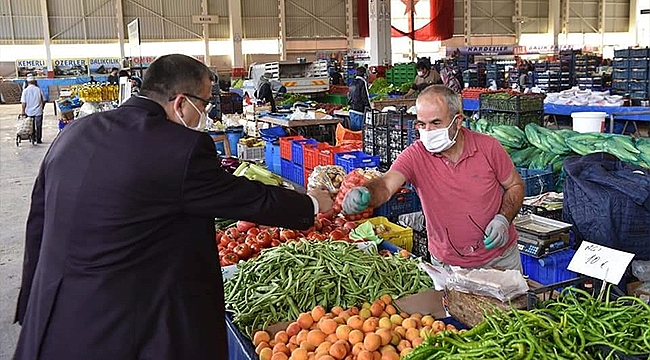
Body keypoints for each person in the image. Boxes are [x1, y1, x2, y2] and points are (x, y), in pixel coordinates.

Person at [12, 54, 333, 360]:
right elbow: (246, 198)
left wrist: (31, 304)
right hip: (117, 332)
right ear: (181, 102)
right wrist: (312, 204)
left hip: (51, 321)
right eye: (205, 104)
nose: (205, 115)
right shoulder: (181, 149)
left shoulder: (76, 133)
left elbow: (38, 222)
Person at [342, 86, 525, 271]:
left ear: (458, 120)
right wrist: (367, 192)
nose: (428, 131)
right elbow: (386, 184)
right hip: (449, 265)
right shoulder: (415, 156)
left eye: (436, 123)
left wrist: (503, 219)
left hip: (500, 260)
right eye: (422, 124)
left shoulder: (488, 148)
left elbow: (515, 186)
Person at [20, 74, 46, 144]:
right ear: (34, 82)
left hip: (29, 112)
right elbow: (44, 100)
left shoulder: (25, 91)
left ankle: (33, 138)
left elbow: (23, 103)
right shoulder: (38, 89)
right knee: (38, 126)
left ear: (27, 82)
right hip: (38, 111)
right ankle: (39, 139)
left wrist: (23, 111)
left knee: (30, 126)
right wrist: (42, 107)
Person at [347, 67, 370, 131]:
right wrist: (368, 107)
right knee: (360, 133)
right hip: (359, 111)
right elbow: (365, 96)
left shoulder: (352, 83)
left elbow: (349, 95)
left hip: (352, 110)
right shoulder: (363, 82)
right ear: (364, 74)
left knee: (354, 132)